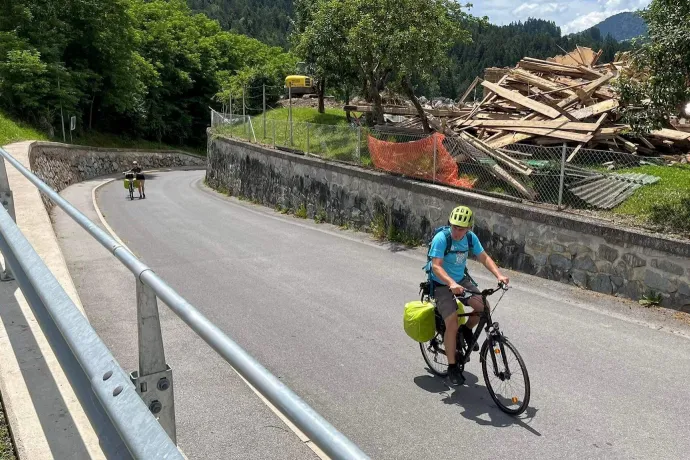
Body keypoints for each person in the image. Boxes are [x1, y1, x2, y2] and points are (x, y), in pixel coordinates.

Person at [428, 205, 509, 386]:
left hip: (461, 280)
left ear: (468, 228)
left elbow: (484, 258)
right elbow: (436, 266)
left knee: (484, 308)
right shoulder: (442, 239)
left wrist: (499, 275)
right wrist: (451, 284)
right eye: (454, 227)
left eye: (461, 229)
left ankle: (466, 330)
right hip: (442, 284)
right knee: (452, 322)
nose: (456, 232)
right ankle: (452, 367)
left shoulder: (470, 239)